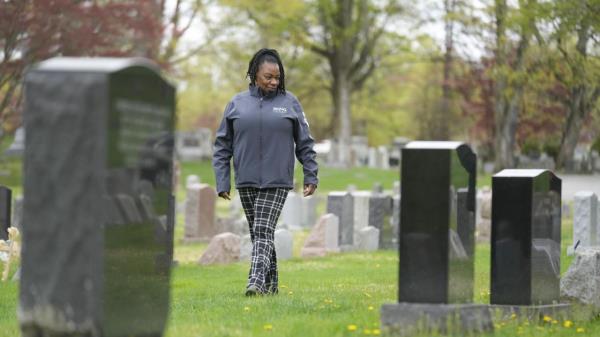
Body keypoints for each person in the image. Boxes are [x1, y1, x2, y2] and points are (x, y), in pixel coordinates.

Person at [213, 48, 318, 296]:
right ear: (253, 75)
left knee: (261, 230)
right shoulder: (236, 103)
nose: (274, 82)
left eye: (277, 77)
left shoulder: (290, 103)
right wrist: (222, 181)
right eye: (268, 77)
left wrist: (311, 174)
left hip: (277, 180)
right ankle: (272, 287)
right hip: (246, 179)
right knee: (262, 232)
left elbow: (305, 142)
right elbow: (222, 145)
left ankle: (255, 283)